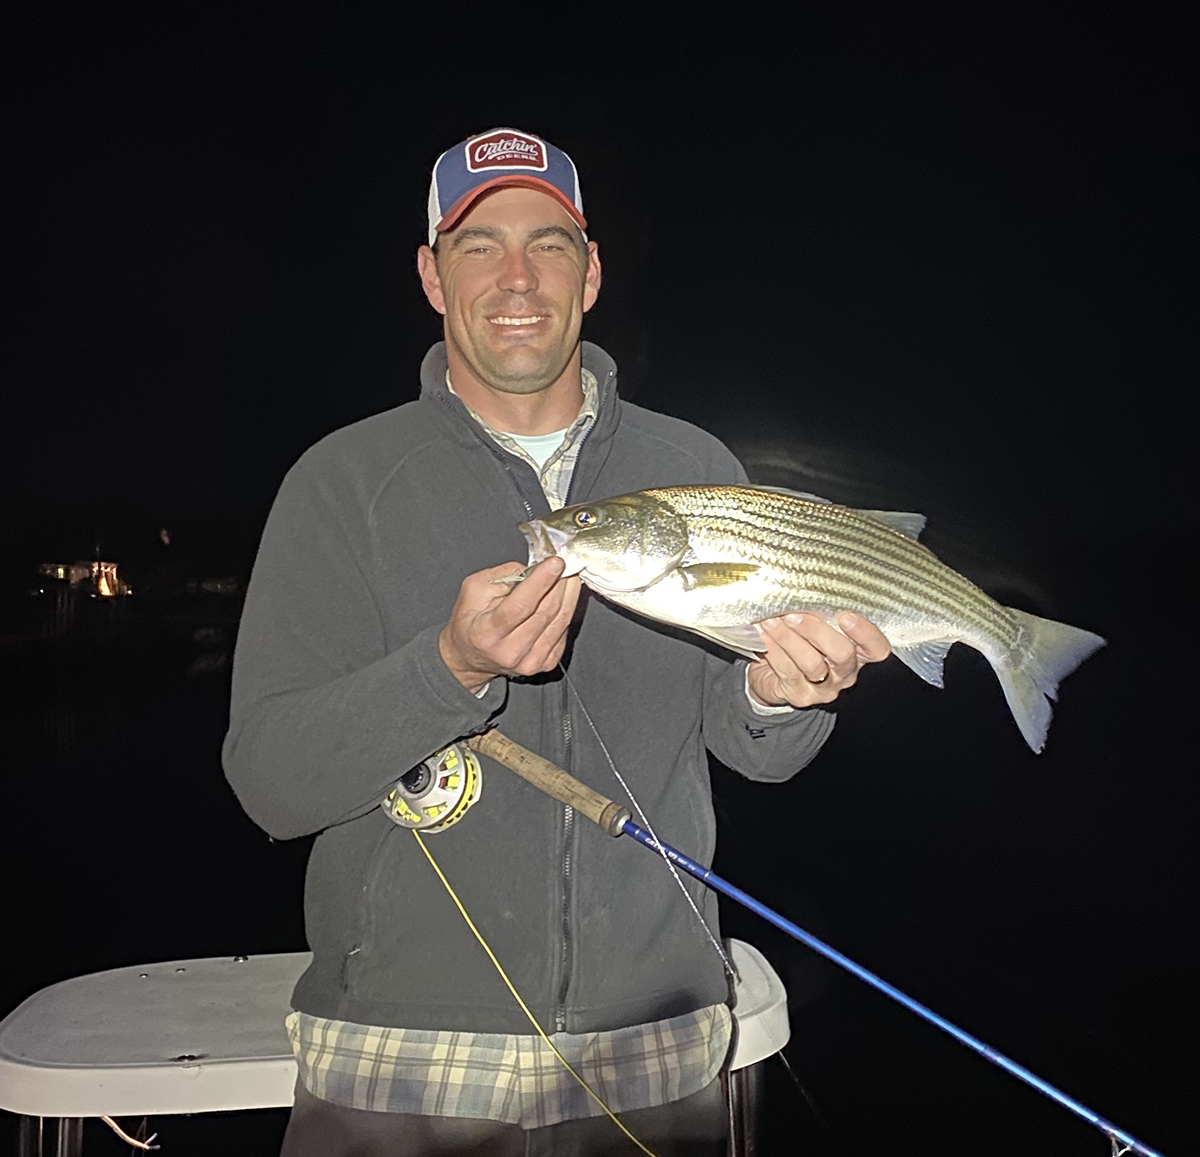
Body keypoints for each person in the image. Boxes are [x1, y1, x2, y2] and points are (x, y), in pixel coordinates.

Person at [223, 127, 890, 1156]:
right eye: (478, 245)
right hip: (400, 1055)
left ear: (592, 273)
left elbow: (746, 737)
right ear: (431, 277)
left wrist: (789, 694)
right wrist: (450, 669)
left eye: (551, 243)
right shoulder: (342, 481)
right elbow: (268, 776)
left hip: (654, 1049)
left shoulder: (691, 465)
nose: (518, 275)